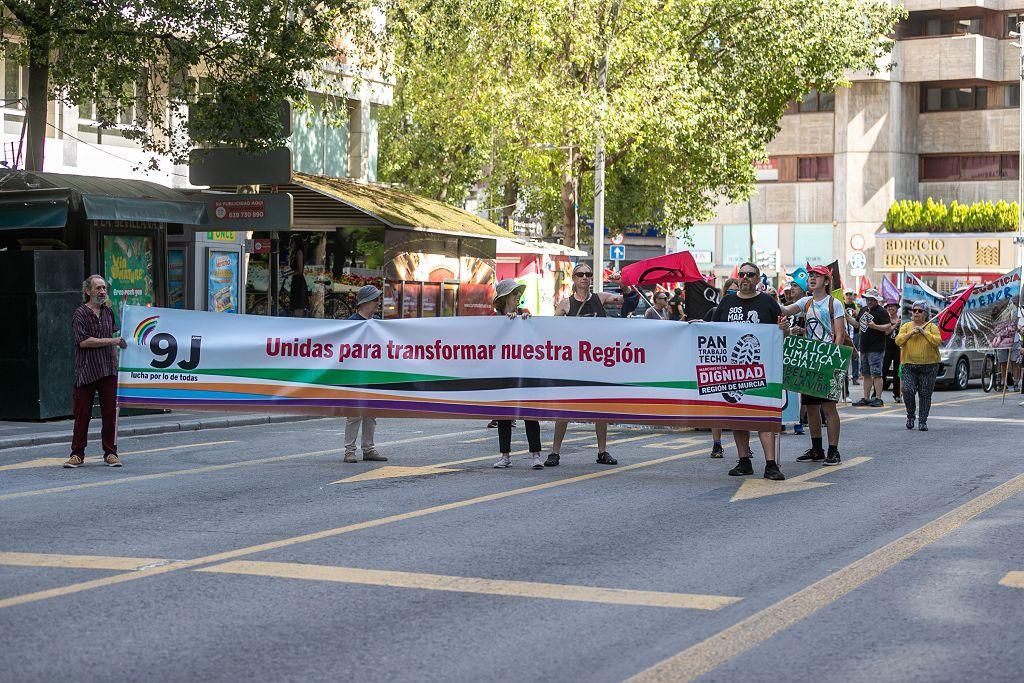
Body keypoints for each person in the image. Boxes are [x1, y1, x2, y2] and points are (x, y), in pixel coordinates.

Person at [712, 262, 786, 481]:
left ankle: (771, 465)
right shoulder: (726, 302)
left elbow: (782, 333)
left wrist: (785, 330)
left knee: (763, 417)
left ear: (758, 278)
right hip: (732, 370)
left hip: (762, 369)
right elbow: (714, 332)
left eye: (750, 275)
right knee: (738, 417)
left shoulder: (768, 302)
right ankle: (744, 461)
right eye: (742, 274)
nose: (745, 278)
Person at [546, 263, 623, 466]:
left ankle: (602, 451)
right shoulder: (566, 304)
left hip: (597, 364)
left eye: (588, 274)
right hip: (572, 366)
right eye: (580, 274)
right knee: (563, 410)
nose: (585, 277)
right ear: (574, 278)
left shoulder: (601, 298)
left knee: (600, 409)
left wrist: (624, 283)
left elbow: (625, 300)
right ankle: (554, 452)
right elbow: (549, 330)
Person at [780, 265, 846, 466]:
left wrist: (832, 361)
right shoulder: (805, 302)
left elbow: (840, 334)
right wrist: (765, 296)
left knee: (829, 408)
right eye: (810, 276)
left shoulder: (835, 304)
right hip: (808, 360)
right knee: (810, 407)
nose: (812, 279)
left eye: (817, 276)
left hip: (828, 360)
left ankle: (833, 451)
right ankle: (817, 448)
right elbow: (784, 310)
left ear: (826, 281)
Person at [64, 275, 127, 468]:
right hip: (87, 370)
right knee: (82, 415)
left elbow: (115, 337)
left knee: (110, 415)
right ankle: (77, 454)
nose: (102, 292)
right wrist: (113, 341)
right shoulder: (80, 314)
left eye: (104, 289)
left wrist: (117, 366)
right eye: (98, 288)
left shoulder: (108, 312)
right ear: (87, 291)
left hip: (108, 369)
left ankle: (110, 453)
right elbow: (84, 342)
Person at [489, 279, 545, 469]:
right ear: (504, 298)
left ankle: (536, 455)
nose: (517, 297)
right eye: (514, 294)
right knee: (504, 414)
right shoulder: (493, 320)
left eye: (518, 293)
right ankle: (505, 456)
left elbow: (536, 336)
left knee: (530, 413)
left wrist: (526, 323)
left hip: (524, 371)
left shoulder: (526, 316)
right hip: (503, 372)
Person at [343, 285, 387, 463]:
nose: (378, 302)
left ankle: (369, 449)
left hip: (373, 373)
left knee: (371, 412)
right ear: (366, 302)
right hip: (355, 373)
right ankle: (349, 451)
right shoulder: (351, 323)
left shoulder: (377, 322)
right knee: (354, 413)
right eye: (376, 299)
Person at [896, 301, 942, 431]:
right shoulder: (906, 326)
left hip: (929, 366)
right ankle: (910, 415)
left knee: (925, 394)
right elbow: (898, 341)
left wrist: (924, 332)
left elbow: (937, 341)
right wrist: (911, 333)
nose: (916, 312)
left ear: (925, 314)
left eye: (920, 311)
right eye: (914, 310)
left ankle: (923, 421)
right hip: (909, 365)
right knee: (907, 390)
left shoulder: (931, 326)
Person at [853, 289, 890, 407]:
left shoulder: (882, 311)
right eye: (867, 299)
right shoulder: (863, 310)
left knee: (877, 374)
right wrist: (845, 315)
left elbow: (888, 327)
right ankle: (866, 397)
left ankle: (878, 398)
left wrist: (875, 326)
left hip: (876, 347)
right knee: (866, 374)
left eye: (871, 300)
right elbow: (857, 324)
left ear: (876, 300)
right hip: (864, 347)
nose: (869, 301)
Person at [882, 301, 902, 404]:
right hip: (887, 347)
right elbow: (886, 331)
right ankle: (876, 393)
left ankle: (897, 394)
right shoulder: (885, 319)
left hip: (898, 348)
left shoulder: (901, 319)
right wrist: (895, 325)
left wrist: (899, 323)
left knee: (897, 372)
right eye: (889, 307)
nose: (890, 308)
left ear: (897, 308)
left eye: (892, 306)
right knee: (883, 370)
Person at [843, 289, 861, 385]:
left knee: (855, 356)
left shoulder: (857, 306)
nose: (849, 296)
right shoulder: (841, 305)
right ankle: (845, 377)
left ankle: (855, 377)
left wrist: (857, 312)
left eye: (851, 294)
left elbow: (860, 318)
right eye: (847, 294)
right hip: (845, 333)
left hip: (855, 333)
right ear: (844, 295)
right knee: (845, 356)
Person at [288, 234, 308, 317]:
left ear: (296, 243)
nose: (291, 244)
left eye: (292, 242)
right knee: (295, 307)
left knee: (298, 307)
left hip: (298, 283)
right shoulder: (295, 253)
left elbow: (299, 270)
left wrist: (289, 274)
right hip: (295, 282)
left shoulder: (299, 252)